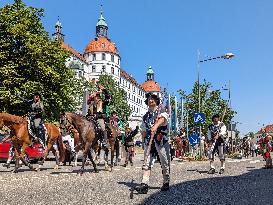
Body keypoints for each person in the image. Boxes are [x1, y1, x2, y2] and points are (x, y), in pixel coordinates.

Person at [135, 93, 170, 194]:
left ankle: (166, 181)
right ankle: (144, 184)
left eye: (152, 99)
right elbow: (143, 130)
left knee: (164, 162)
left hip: (161, 140)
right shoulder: (146, 116)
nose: (150, 100)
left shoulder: (161, 111)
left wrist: (156, 125)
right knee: (147, 163)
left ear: (156, 101)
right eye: (149, 99)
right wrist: (143, 141)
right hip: (149, 141)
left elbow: (163, 119)